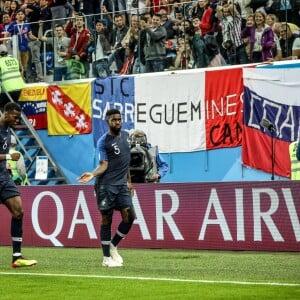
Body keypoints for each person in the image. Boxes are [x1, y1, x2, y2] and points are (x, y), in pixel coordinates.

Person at [77, 109, 135, 268]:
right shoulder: (103, 141)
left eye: (119, 119)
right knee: (106, 220)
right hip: (106, 185)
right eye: (114, 120)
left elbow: (126, 161)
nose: (117, 122)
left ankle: (113, 245)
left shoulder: (126, 136)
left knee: (130, 217)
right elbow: (104, 165)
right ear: (107, 121)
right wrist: (92, 174)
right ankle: (106, 258)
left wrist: (129, 182)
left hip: (122, 184)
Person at [0, 102, 37, 267]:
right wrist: (8, 158)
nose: (17, 120)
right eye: (15, 117)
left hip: (3, 178)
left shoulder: (8, 131)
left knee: (18, 212)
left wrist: (6, 167)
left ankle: (17, 257)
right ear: (6, 113)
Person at [0, 44, 25, 111]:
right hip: (18, 88)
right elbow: (20, 71)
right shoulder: (14, 60)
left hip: (7, 90)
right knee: (12, 107)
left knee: (4, 108)